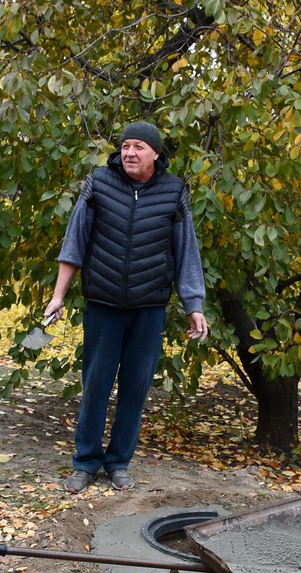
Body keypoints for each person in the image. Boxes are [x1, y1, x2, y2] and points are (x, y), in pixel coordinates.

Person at [45, 121, 208, 494]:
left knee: (135, 389)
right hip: (102, 305)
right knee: (96, 386)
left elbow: (186, 253)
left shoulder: (174, 191)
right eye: (125, 146)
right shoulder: (99, 183)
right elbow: (75, 242)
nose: (129, 153)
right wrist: (58, 295)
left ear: (155, 153)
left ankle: (118, 462)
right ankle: (85, 463)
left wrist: (193, 304)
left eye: (138, 147)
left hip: (149, 309)